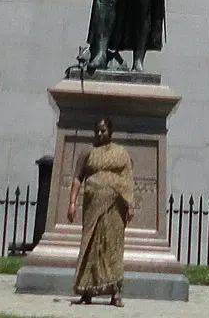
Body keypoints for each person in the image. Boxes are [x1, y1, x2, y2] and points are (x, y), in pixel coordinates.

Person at [68, 115, 134, 307]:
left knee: (112, 248)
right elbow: (77, 177)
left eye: (103, 130)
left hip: (115, 207)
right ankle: (86, 291)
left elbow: (128, 178)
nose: (99, 133)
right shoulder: (88, 152)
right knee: (90, 246)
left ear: (110, 131)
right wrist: (72, 203)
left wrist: (130, 204)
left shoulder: (121, 153)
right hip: (92, 207)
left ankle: (115, 293)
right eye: (97, 130)